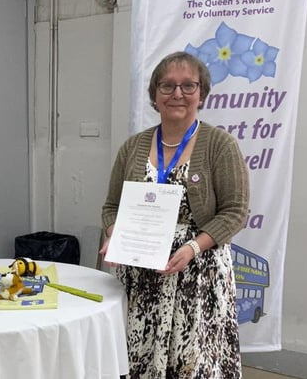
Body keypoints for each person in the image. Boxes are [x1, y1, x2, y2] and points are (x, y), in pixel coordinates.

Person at [99, 51, 249, 378]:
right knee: (137, 358)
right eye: (167, 86)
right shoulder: (133, 147)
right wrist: (113, 235)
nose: (177, 93)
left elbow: (236, 212)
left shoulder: (220, 145)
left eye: (188, 86)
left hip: (198, 275)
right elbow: (112, 206)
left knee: (193, 364)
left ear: (202, 94)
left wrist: (193, 247)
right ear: (155, 95)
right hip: (142, 278)